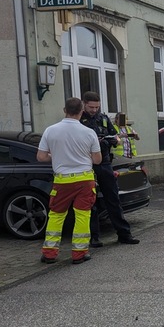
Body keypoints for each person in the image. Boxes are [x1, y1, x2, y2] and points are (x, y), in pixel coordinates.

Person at [37, 97, 102, 265]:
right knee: (82, 216)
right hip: (85, 180)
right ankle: (79, 254)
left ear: (64, 110)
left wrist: (56, 155)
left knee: (56, 216)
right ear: (81, 112)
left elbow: (41, 157)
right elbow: (97, 160)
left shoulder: (50, 130)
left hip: (62, 181)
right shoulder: (89, 132)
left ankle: (50, 254)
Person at [81, 91, 140, 246]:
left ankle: (124, 234)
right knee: (91, 203)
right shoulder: (79, 120)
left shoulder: (103, 118)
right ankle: (94, 237)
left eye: (97, 107)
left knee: (113, 199)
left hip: (105, 163)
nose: (94, 110)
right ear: (84, 104)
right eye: (91, 107)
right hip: (88, 164)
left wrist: (114, 140)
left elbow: (115, 136)